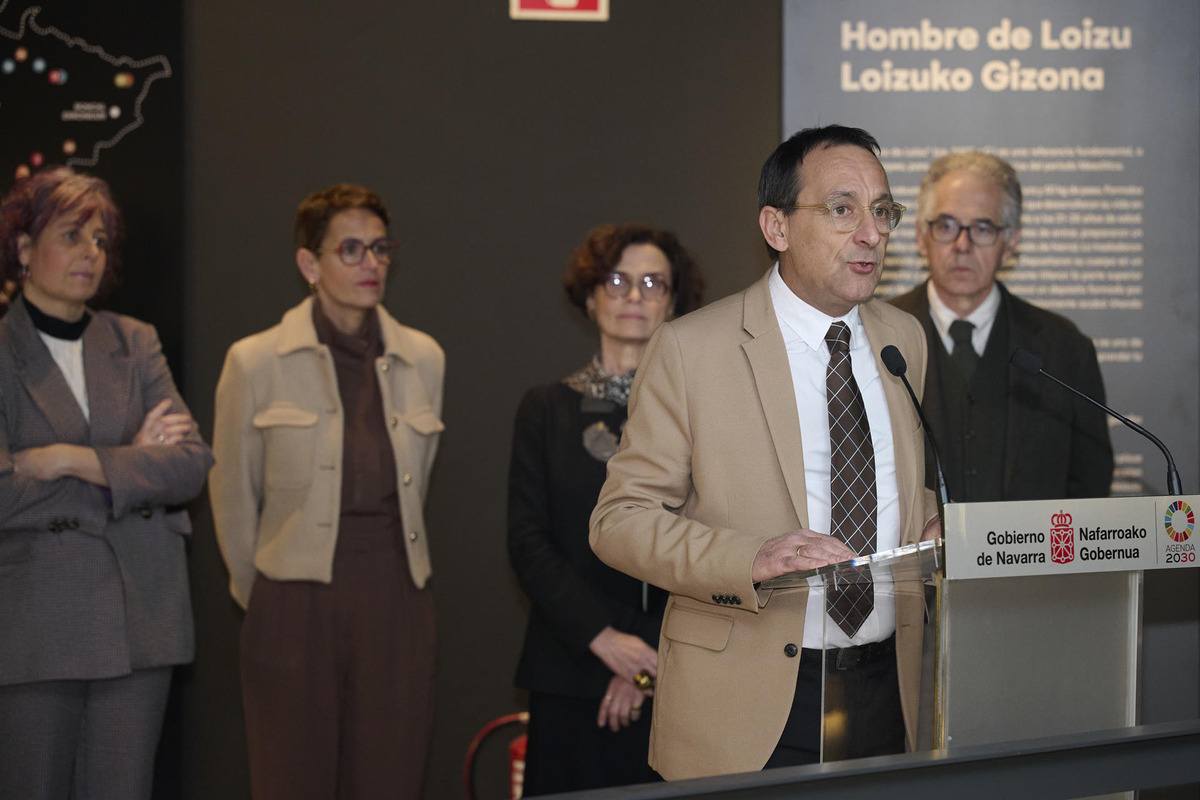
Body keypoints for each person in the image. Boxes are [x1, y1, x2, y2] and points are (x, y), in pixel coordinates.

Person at [589, 125, 941, 780]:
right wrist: (745, 557)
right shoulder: (692, 350)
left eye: (882, 211)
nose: (870, 232)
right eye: (842, 209)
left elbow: (891, 482)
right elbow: (620, 521)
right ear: (776, 227)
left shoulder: (904, 338)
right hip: (746, 698)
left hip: (886, 690)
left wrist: (932, 519)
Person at [209, 183, 444, 799]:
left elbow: (420, 478)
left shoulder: (424, 358)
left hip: (397, 597)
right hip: (292, 603)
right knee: (291, 779)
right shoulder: (254, 361)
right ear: (309, 264)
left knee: (391, 778)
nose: (372, 263)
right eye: (351, 250)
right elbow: (233, 497)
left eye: (380, 248)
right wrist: (263, 592)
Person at [0, 167, 212, 799]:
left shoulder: (133, 340)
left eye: (99, 239)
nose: (90, 252)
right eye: (71, 235)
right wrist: (129, 467)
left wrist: (67, 458)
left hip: (139, 615)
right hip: (36, 619)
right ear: (24, 249)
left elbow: (190, 464)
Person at [508, 223, 704, 794]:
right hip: (569, 666)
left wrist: (642, 666)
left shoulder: (695, 415)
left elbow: (696, 538)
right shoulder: (544, 409)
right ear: (591, 295)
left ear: (673, 303)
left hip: (667, 672)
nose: (635, 296)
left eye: (653, 283)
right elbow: (528, 543)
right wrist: (606, 642)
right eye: (618, 281)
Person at [890, 152, 1113, 501]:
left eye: (982, 228)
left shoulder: (1065, 349)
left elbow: (1089, 485)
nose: (962, 246)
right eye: (946, 226)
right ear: (921, 236)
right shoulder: (877, 337)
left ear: (1011, 242)